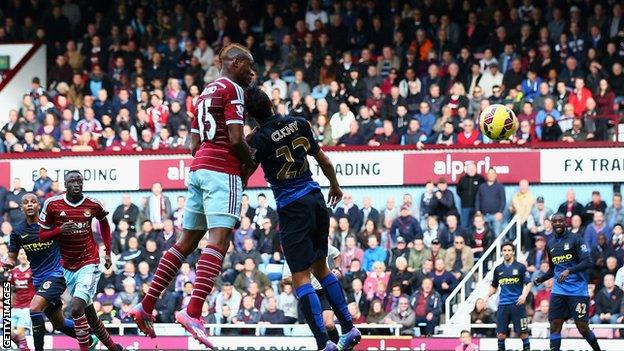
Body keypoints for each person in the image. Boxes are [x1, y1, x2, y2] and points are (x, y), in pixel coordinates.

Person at [130, 44, 256, 348]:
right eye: (248, 67)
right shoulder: (234, 90)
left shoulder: (203, 93)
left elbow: (192, 143)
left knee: (184, 242)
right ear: (235, 63)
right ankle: (194, 311)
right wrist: (249, 162)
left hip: (198, 168)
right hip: (222, 169)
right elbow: (237, 138)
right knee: (219, 241)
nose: (252, 74)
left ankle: (145, 305)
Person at [246, 86, 360, 351]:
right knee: (322, 268)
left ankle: (323, 343)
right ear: (272, 106)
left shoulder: (258, 139)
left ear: (252, 116)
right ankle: (349, 327)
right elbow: (324, 160)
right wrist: (335, 186)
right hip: (316, 198)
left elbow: (245, 167)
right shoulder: (299, 123)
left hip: (291, 207)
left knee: (300, 277)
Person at [38, 171, 121, 351]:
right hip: (65, 265)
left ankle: (85, 348)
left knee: (76, 309)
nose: (76, 184)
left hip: (89, 263)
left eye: (79, 181)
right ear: (65, 184)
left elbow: (104, 223)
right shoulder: (52, 204)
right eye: (72, 181)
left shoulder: (93, 204)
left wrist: (107, 252)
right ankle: (114, 348)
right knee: (90, 315)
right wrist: (59, 230)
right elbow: (42, 235)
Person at [6, 193, 96, 351]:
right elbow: (12, 258)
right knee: (59, 323)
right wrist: (8, 263)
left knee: (34, 308)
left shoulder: (51, 224)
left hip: (58, 274)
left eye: (33, 202)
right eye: (26, 203)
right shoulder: (18, 231)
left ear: (38, 206)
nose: (29, 205)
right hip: (39, 280)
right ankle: (89, 337)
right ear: (21, 208)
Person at [534, 213, 603, 351]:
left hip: (578, 290)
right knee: (554, 325)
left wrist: (569, 271)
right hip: (559, 291)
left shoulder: (576, 239)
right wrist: (541, 279)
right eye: (555, 221)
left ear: (565, 222)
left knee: (582, 328)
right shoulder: (550, 244)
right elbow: (553, 269)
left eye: (561, 220)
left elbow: (588, 261)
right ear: (551, 224)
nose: (558, 223)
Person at [484, 242, 532, 351]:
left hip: (517, 305)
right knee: (500, 334)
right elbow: (494, 286)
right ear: (501, 252)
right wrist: (486, 296)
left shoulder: (520, 267)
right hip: (503, 305)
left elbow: (529, 283)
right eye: (504, 250)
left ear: (513, 252)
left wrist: (524, 295)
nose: (507, 253)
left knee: (523, 333)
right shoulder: (498, 269)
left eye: (509, 250)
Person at [9, 249, 35, 351]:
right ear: (18, 257)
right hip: (16, 306)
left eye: (25, 254)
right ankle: (23, 347)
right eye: (21, 254)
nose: (23, 256)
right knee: (8, 332)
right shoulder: (14, 271)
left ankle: (24, 348)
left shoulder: (33, 270)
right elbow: (10, 286)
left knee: (20, 332)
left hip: (28, 306)